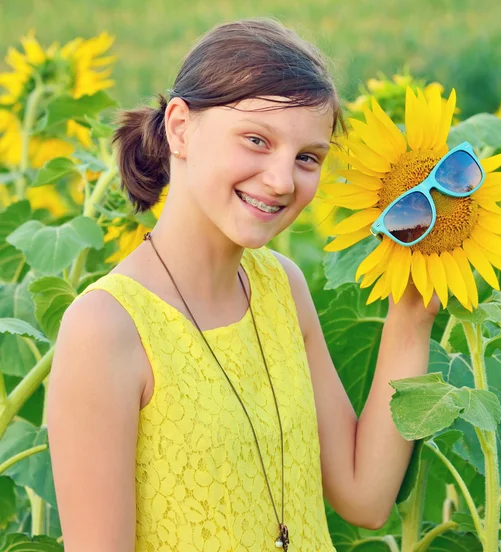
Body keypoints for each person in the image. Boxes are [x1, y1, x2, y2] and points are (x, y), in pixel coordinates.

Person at [47, 17, 440, 552]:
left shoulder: (282, 286)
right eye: (256, 140)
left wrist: (412, 314)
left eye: (307, 158)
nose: (282, 180)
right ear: (180, 127)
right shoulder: (106, 328)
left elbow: (364, 496)